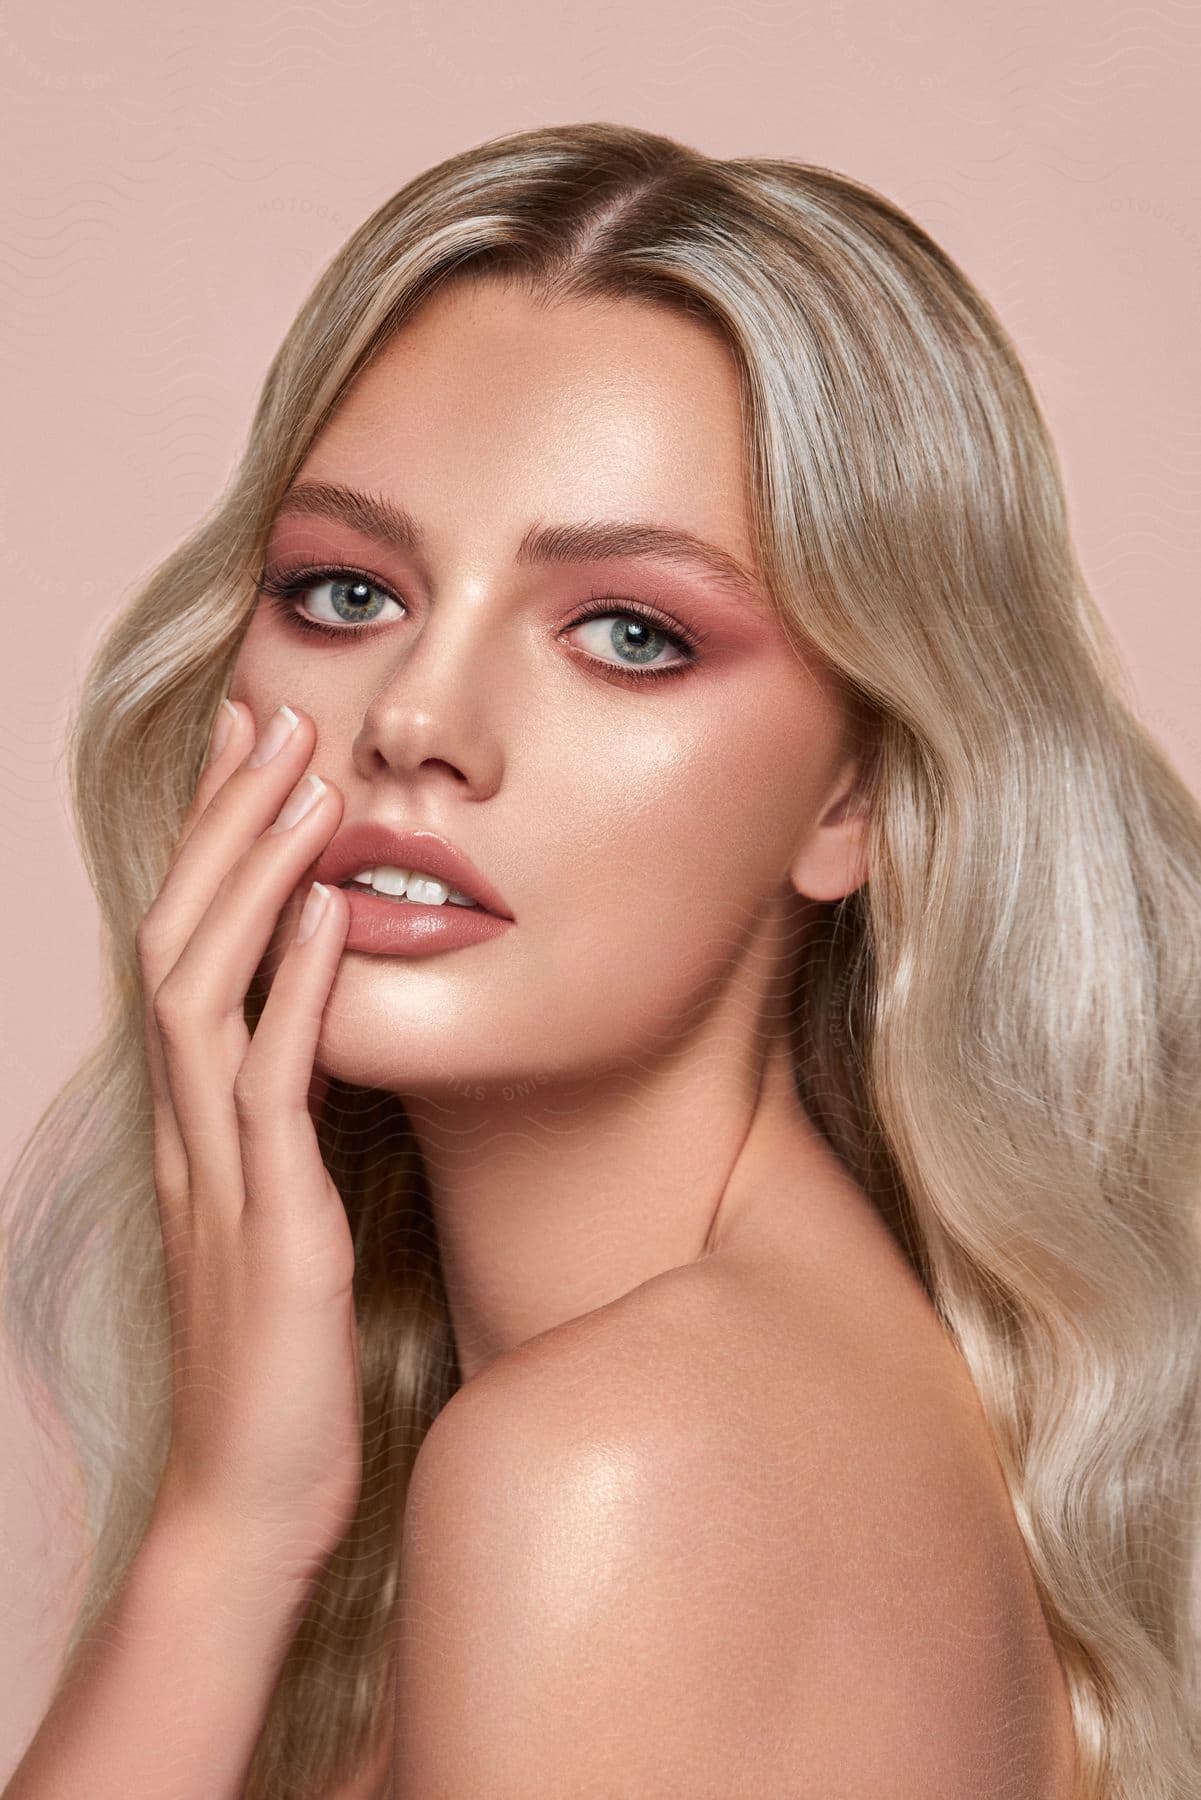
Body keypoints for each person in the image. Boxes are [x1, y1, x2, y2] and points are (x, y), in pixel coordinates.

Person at [2, 118, 1198, 1800]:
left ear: (852, 795)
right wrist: (233, 1522)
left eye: (629, 634)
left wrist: (221, 1546)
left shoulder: (614, 1477)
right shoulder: (750, 1399)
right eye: (347, 593)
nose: (415, 720)